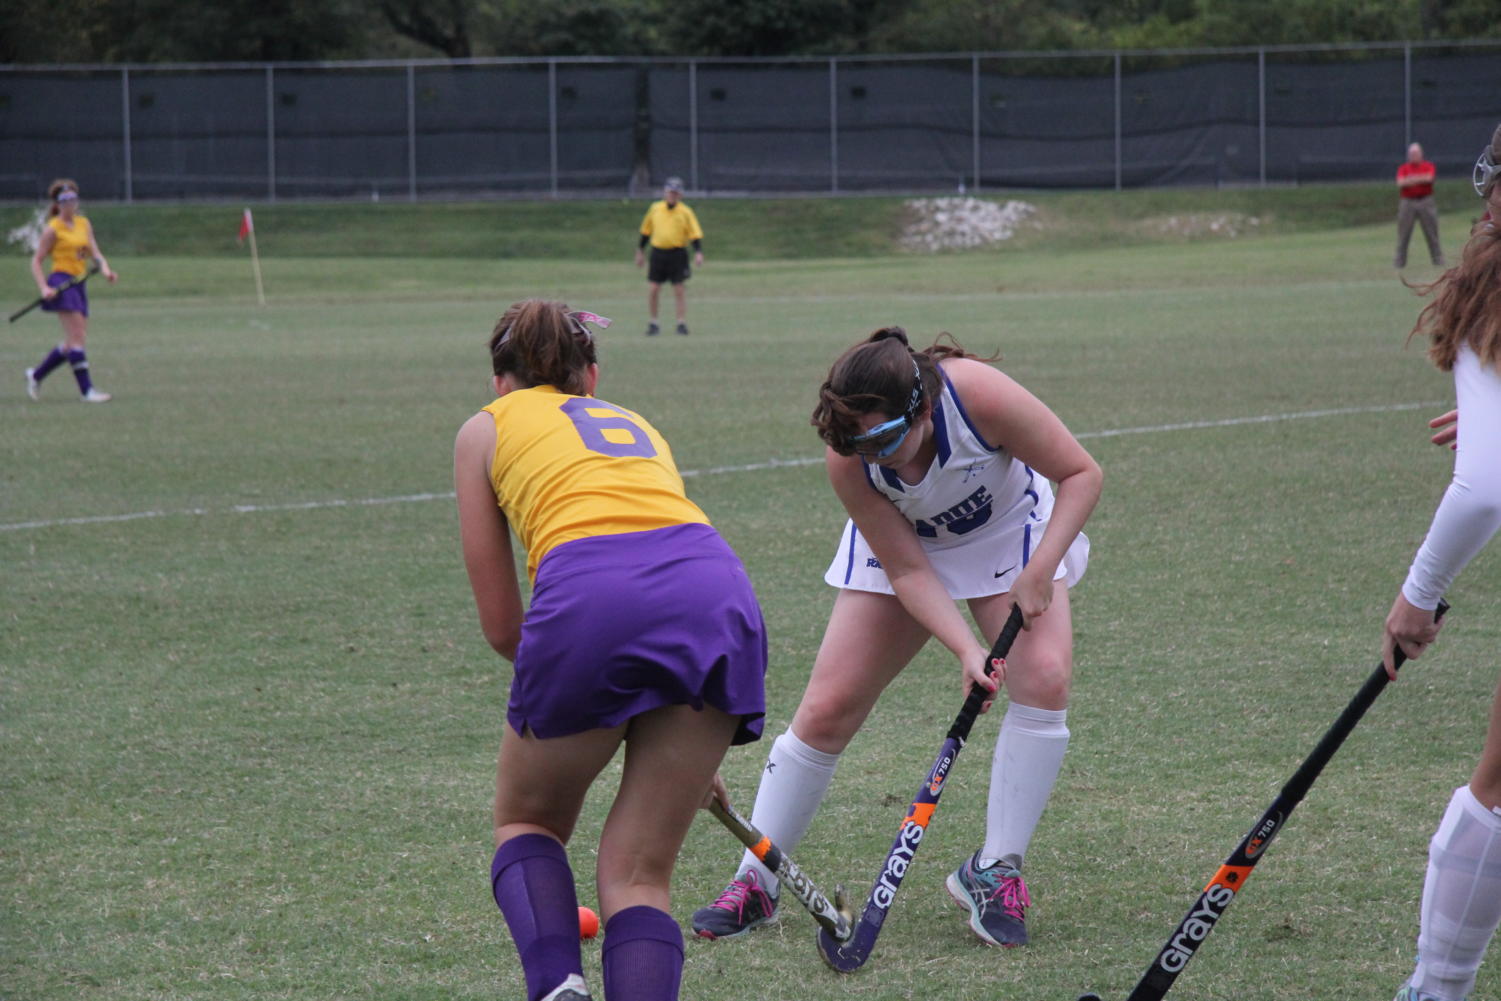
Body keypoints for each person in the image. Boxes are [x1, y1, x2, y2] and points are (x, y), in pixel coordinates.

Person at [692, 326, 1100, 948]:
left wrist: (1041, 569)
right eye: (859, 443)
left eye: (884, 436)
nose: (876, 454)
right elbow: (909, 569)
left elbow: (1080, 473)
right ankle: (758, 879)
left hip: (1007, 530)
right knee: (828, 709)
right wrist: (966, 650)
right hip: (908, 547)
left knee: (1044, 680)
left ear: (924, 406)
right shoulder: (853, 460)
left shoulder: (979, 397)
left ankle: (995, 869)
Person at [453, 299, 768, 1001]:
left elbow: (507, 628)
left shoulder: (485, 426)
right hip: (716, 596)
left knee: (528, 820)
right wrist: (671, 750)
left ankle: (557, 985)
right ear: (590, 377)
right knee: (638, 877)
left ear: (500, 382)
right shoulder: (636, 423)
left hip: (590, 602)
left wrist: (584, 687)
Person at [1384, 123, 1501, 1001]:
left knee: (1494, 790)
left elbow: (1482, 489)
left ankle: (1436, 988)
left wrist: (1416, 595)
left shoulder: (1489, 277)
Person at [24, 178, 118, 403]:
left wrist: (105, 269)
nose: (70, 204)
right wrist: (44, 287)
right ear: (57, 203)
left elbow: (94, 252)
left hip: (79, 282)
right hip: (61, 282)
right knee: (76, 338)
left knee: (75, 339)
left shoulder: (84, 223)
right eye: (64, 200)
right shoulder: (52, 229)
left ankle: (35, 375)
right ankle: (87, 391)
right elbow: (36, 261)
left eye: (73, 199)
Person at [633, 177, 703, 336]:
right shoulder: (655, 208)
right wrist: (640, 251)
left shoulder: (685, 211)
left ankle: (681, 323)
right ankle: (653, 322)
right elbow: (646, 231)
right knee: (653, 289)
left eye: (676, 193)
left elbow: (694, 234)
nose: (673, 195)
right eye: (670, 192)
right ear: (665, 193)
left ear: (680, 195)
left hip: (677, 254)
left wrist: (698, 252)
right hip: (658, 253)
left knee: (679, 289)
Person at [1396, 142, 1446, 270]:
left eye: (1416, 153)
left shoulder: (1427, 166)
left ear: (1421, 154)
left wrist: (1412, 179)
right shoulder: (1403, 168)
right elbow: (1401, 183)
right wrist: (1419, 179)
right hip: (1408, 202)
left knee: (1432, 232)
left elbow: (1429, 178)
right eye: (1411, 154)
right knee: (1403, 233)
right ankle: (1400, 261)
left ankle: (1437, 259)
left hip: (1425, 201)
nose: (1414, 156)